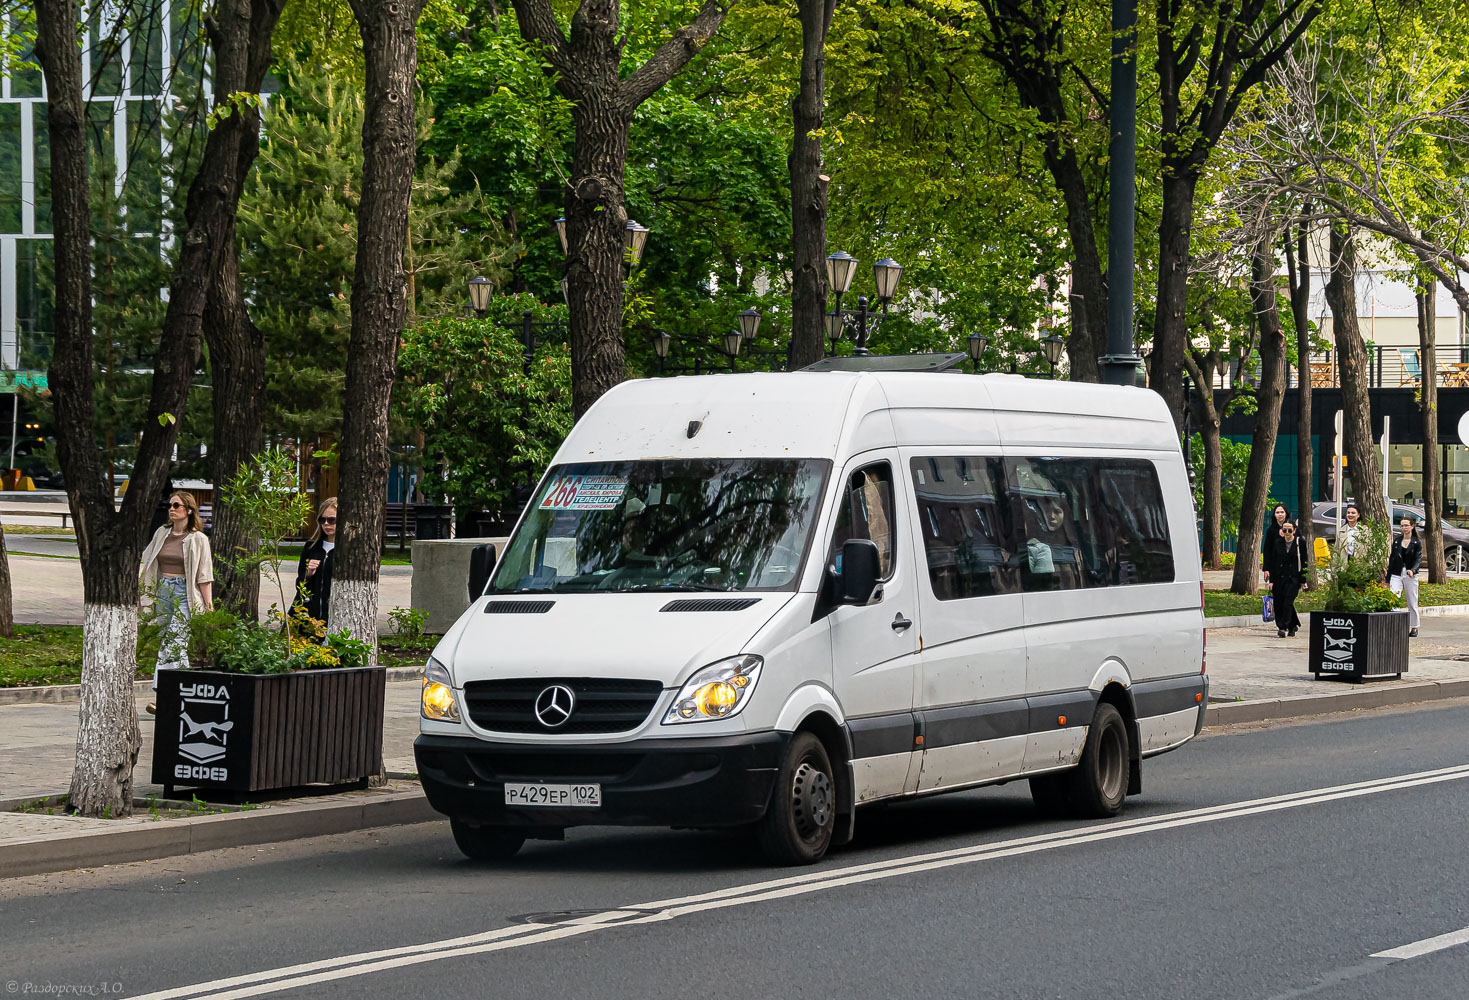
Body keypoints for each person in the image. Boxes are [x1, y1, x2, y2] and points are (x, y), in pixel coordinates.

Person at [139, 491, 213, 715]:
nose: (171, 509)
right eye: (170, 505)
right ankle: (182, 697)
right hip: (163, 591)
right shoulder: (162, 533)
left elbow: (204, 574)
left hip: (185, 594)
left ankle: (163, 694)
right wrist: (143, 592)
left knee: (174, 642)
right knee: (171, 645)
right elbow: (147, 561)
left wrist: (208, 606)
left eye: (176, 505)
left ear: (188, 510)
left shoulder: (198, 539)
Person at [294, 497, 337, 626]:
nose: (326, 524)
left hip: (335, 613)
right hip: (310, 612)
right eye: (322, 520)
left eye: (331, 520)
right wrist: (308, 574)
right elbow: (300, 584)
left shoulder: (346, 551)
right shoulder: (311, 547)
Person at [1267, 520, 1309, 638]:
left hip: (1293, 578)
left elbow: (1304, 562)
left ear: (1294, 531)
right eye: (1284, 530)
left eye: (1289, 530)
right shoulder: (1278, 543)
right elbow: (1273, 562)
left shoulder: (1299, 542)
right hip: (1279, 577)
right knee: (1280, 602)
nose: (1287, 532)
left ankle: (1283, 626)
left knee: (1288, 602)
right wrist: (1272, 581)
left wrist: (1303, 580)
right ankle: (1293, 625)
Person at [1388, 515, 1423, 637]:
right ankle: (1397, 625)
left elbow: (1418, 559)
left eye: (1406, 525)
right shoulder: (1397, 541)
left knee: (1412, 601)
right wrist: (1388, 579)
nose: (1404, 528)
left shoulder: (1416, 542)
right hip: (1396, 573)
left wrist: (1413, 570)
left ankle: (1414, 627)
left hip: (1410, 574)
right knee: (1393, 598)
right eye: (1402, 525)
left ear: (1412, 526)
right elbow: (1392, 559)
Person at [1262, 504, 1289, 586]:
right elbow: (1267, 550)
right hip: (1274, 565)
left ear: (1286, 514)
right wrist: (1266, 569)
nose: (1280, 514)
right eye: (1277, 512)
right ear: (1274, 514)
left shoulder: (1292, 528)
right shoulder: (1271, 530)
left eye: (1282, 512)